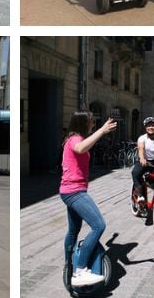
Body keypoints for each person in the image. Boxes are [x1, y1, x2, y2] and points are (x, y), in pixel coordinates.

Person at [60, 112, 118, 287]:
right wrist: (101, 130)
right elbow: (80, 148)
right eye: (91, 122)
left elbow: (84, 147)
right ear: (82, 123)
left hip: (71, 190)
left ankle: (68, 264)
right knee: (99, 225)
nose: (93, 124)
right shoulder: (74, 139)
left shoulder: (74, 138)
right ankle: (80, 270)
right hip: (75, 192)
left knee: (73, 230)